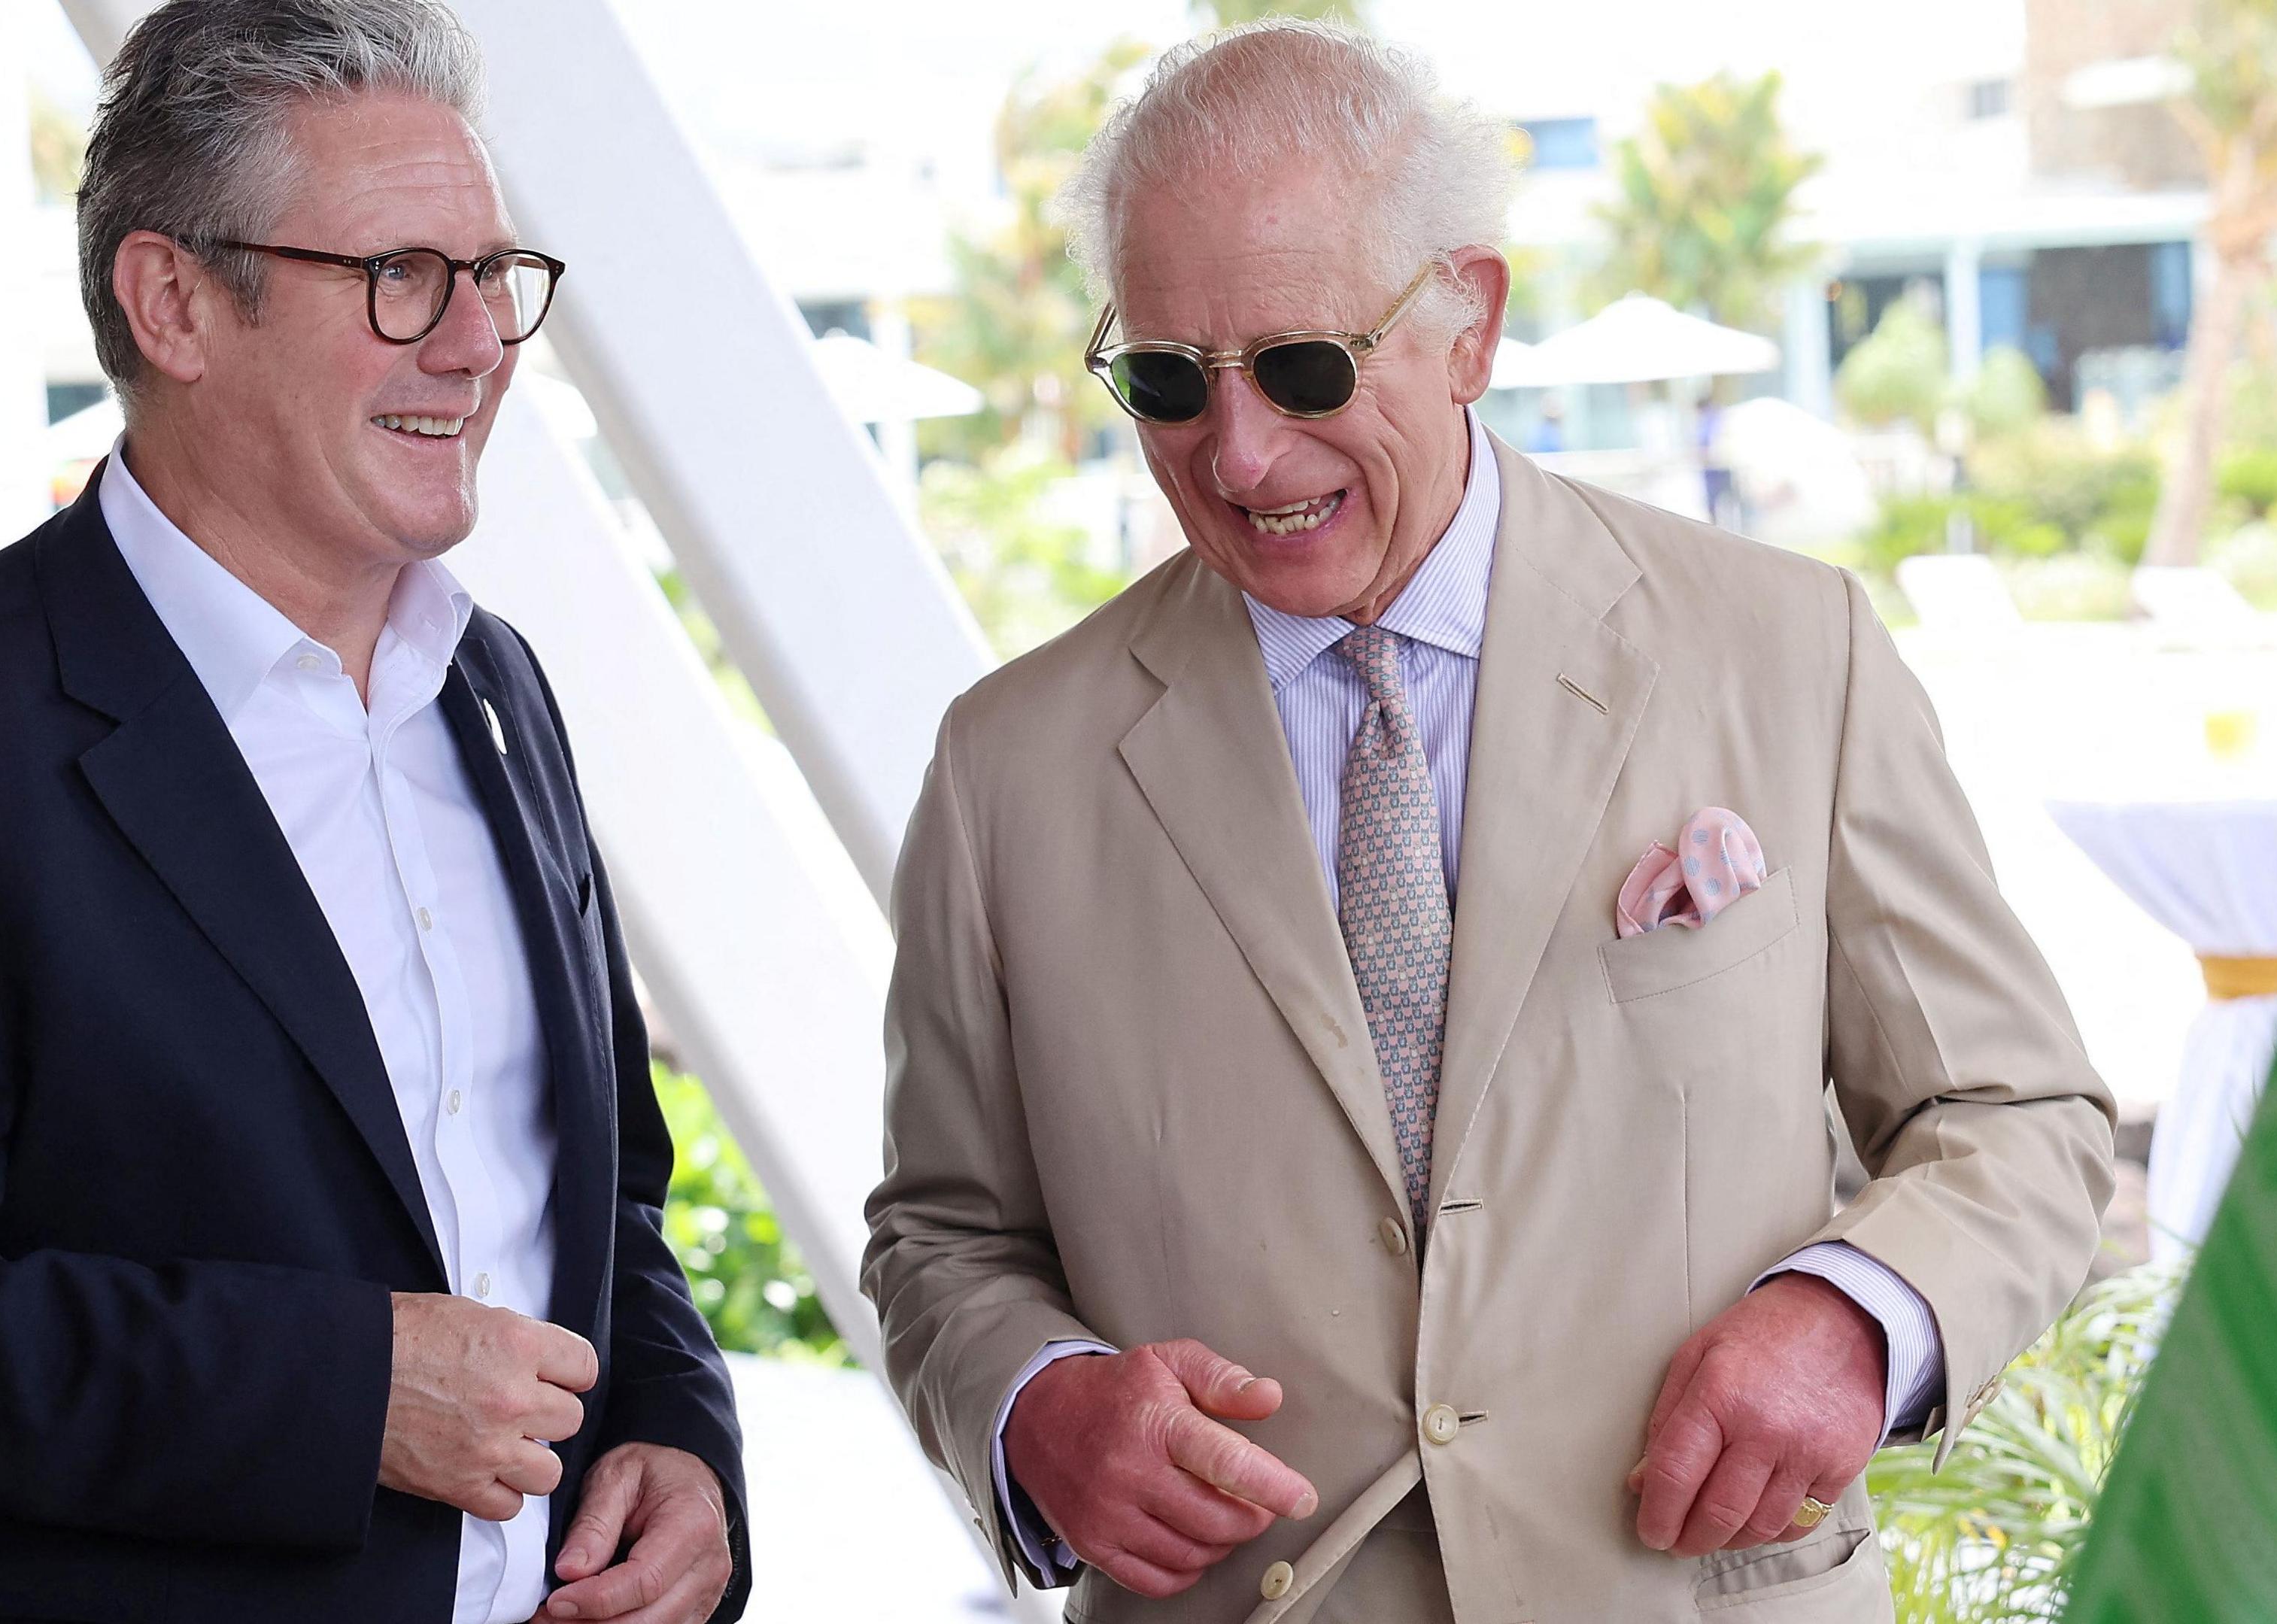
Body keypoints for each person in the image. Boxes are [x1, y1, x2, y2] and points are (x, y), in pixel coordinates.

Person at [863, 22, 2113, 1622]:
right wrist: (1035, 1407)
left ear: (1472, 320)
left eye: (1307, 368)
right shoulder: (1005, 768)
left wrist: (1858, 1317)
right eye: (1170, 382)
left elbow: (2018, 1116)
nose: (1240, 454)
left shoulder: (1791, 651)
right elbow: (940, 1235)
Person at [0, 5, 746, 1620]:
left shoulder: (494, 690)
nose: (477, 342)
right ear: (172, 300)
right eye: (398, 278)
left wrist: (676, 1440)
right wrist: (339, 1394)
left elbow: (598, 1198)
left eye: (493, 275)